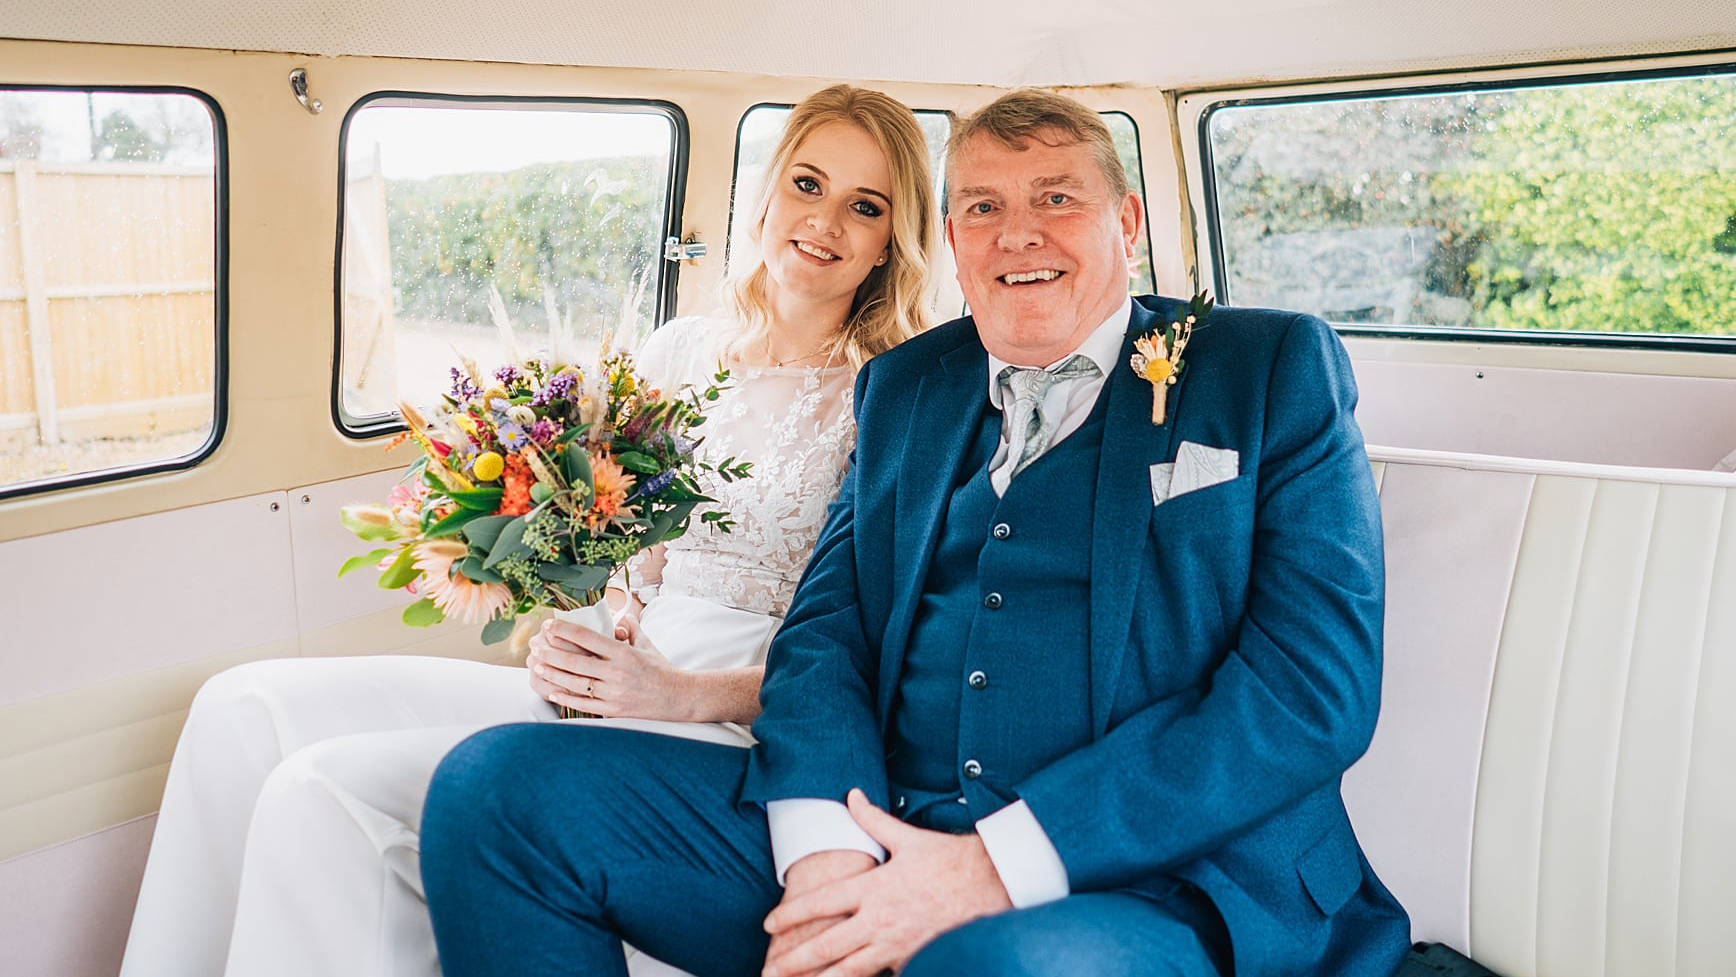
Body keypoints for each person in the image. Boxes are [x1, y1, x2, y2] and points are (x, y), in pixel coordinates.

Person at [420, 87, 1412, 977]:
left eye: (1054, 198)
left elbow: (1308, 690)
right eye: (983, 206)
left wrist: (992, 865)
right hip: (878, 824)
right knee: (498, 792)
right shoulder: (904, 387)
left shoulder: (1262, 367)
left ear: (1127, 220)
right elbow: (822, 640)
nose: (1016, 233)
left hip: (1158, 882)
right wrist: (827, 861)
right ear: (949, 236)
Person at [115, 83, 937, 977]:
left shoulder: (896, 401)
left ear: (894, 239)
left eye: (866, 206)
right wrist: (585, 610)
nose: (825, 222)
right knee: (243, 708)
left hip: (733, 714)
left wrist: (679, 691)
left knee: (321, 793)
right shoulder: (676, 354)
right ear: (769, 191)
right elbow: (637, 561)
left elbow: (873, 655)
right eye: (809, 185)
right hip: (618, 674)